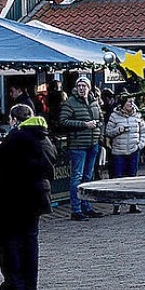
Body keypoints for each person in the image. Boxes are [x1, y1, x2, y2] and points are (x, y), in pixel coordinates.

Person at [0, 104, 57, 290]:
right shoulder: (43, 136)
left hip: (13, 197)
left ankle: (13, 282)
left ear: (13, 120)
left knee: (8, 239)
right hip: (38, 194)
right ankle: (30, 282)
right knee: (29, 239)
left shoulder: (18, 135)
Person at [59, 76, 104, 221]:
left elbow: (101, 118)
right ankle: (76, 209)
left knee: (88, 177)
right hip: (78, 145)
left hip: (93, 144)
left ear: (89, 87)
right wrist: (84, 125)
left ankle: (87, 206)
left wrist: (98, 130)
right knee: (77, 177)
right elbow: (63, 121)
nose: (82, 88)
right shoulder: (70, 103)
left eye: (84, 86)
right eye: (79, 86)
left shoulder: (94, 102)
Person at [103, 93, 145, 214]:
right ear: (122, 104)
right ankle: (117, 204)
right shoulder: (114, 116)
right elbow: (108, 133)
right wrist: (119, 130)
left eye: (132, 102)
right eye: (129, 102)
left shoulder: (138, 115)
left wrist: (140, 144)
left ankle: (133, 204)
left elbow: (144, 131)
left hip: (133, 150)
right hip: (118, 151)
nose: (131, 104)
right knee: (118, 178)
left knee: (132, 177)